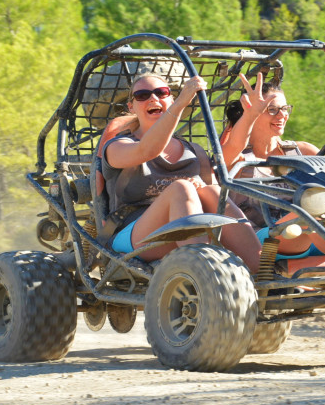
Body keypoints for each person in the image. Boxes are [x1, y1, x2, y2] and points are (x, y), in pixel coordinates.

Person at [220, 73, 325, 264]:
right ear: (253, 111)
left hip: (315, 233)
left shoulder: (302, 151)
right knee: (306, 214)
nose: (283, 115)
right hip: (265, 239)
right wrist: (250, 114)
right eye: (272, 110)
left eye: (285, 109)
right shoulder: (237, 157)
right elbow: (232, 146)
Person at [101, 73, 261, 273]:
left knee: (213, 192)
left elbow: (230, 153)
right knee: (181, 188)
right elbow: (147, 150)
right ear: (131, 107)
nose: (153, 99)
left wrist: (251, 115)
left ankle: (261, 272)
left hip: (187, 237)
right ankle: (206, 273)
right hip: (133, 236)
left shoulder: (194, 151)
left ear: (169, 98)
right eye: (142, 95)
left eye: (161, 93)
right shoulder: (118, 146)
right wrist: (180, 105)